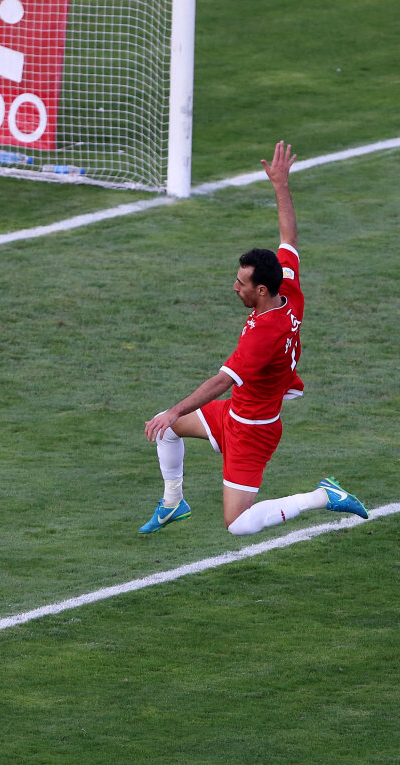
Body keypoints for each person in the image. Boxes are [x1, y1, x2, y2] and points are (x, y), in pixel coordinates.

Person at [139, 141, 368, 536]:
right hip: (234, 413)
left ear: (261, 290)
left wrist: (174, 410)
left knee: (237, 524)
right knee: (166, 430)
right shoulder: (287, 288)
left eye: (241, 283)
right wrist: (280, 184)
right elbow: (289, 237)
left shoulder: (263, 336)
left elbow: (220, 382)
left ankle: (322, 496)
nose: (235, 287)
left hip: (252, 431)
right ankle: (173, 502)